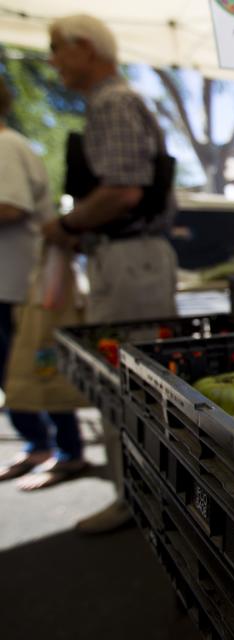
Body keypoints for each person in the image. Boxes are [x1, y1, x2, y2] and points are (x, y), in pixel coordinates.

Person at [42, 14, 178, 533]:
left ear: (85, 47)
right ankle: (140, 493)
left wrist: (67, 223)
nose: (53, 60)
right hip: (128, 255)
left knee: (127, 379)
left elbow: (124, 190)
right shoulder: (116, 101)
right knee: (131, 376)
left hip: (129, 259)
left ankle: (138, 497)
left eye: (58, 48)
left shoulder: (112, 102)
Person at [0, 77, 88, 489]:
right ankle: (42, 445)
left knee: (38, 368)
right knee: (23, 371)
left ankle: (65, 450)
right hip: (19, 285)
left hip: (20, 286)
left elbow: (11, 207)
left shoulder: (6, 147)